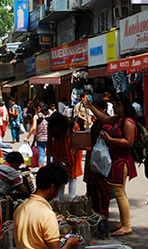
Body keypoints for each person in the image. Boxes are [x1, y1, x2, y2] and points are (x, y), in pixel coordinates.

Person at [85, 92, 136, 237]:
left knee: (119, 193)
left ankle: (126, 225)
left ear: (120, 104)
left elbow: (129, 142)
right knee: (120, 192)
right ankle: (123, 221)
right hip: (116, 160)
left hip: (122, 161)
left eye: (114, 105)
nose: (113, 108)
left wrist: (110, 139)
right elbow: (104, 118)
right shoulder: (119, 119)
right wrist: (91, 108)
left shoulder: (128, 122)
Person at [83, 98, 112, 238]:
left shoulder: (107, 123)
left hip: (100, 164)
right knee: (93, 194)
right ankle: (96, 225)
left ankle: (102, 225)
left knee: (102, 196)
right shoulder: (97, 122)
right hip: (93, 162)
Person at [45, 110, 81, 200]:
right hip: (59, 151)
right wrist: (49, 158)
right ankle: (59, 197)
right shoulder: (51, 127)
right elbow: (49, 142)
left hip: (71, 151)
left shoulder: (71, 125)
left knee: (72, 175)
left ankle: (71, 198)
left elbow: (77, 140)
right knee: (59, 174)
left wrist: (74, 154)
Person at [25, 103, 49, 168]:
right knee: (49, 155)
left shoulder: (36, 116)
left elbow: (34, 128)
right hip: (48, 138)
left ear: (39, 108)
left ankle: (41, 170)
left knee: (41, 154)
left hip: (40, 138)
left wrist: (27, 137)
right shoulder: (48, 116)